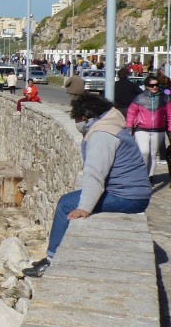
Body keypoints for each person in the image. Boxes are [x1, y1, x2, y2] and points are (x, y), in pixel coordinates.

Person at [24, 93, 150, 277]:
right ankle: (53, 256)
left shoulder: (102, 135)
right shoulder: (111, 127)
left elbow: (95, 174)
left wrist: (85, 207)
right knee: (69, 200)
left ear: (84, 117)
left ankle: (51, 260)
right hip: (133, 192)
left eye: (76, 118)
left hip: (129, 197)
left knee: (65, 204)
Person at [125, 73, 170, 182]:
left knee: (153, 154)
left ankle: (150, 176)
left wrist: (169, 129)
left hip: (158, 130)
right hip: (142, 129)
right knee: (144, 151)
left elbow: (169, 115)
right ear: (146, 86)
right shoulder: (139, 98)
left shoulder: (165, 98)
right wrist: (129, 127)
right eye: (151, 85)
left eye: (156, 85)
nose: (154, 87)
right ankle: (142, 174)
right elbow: (131, 113)